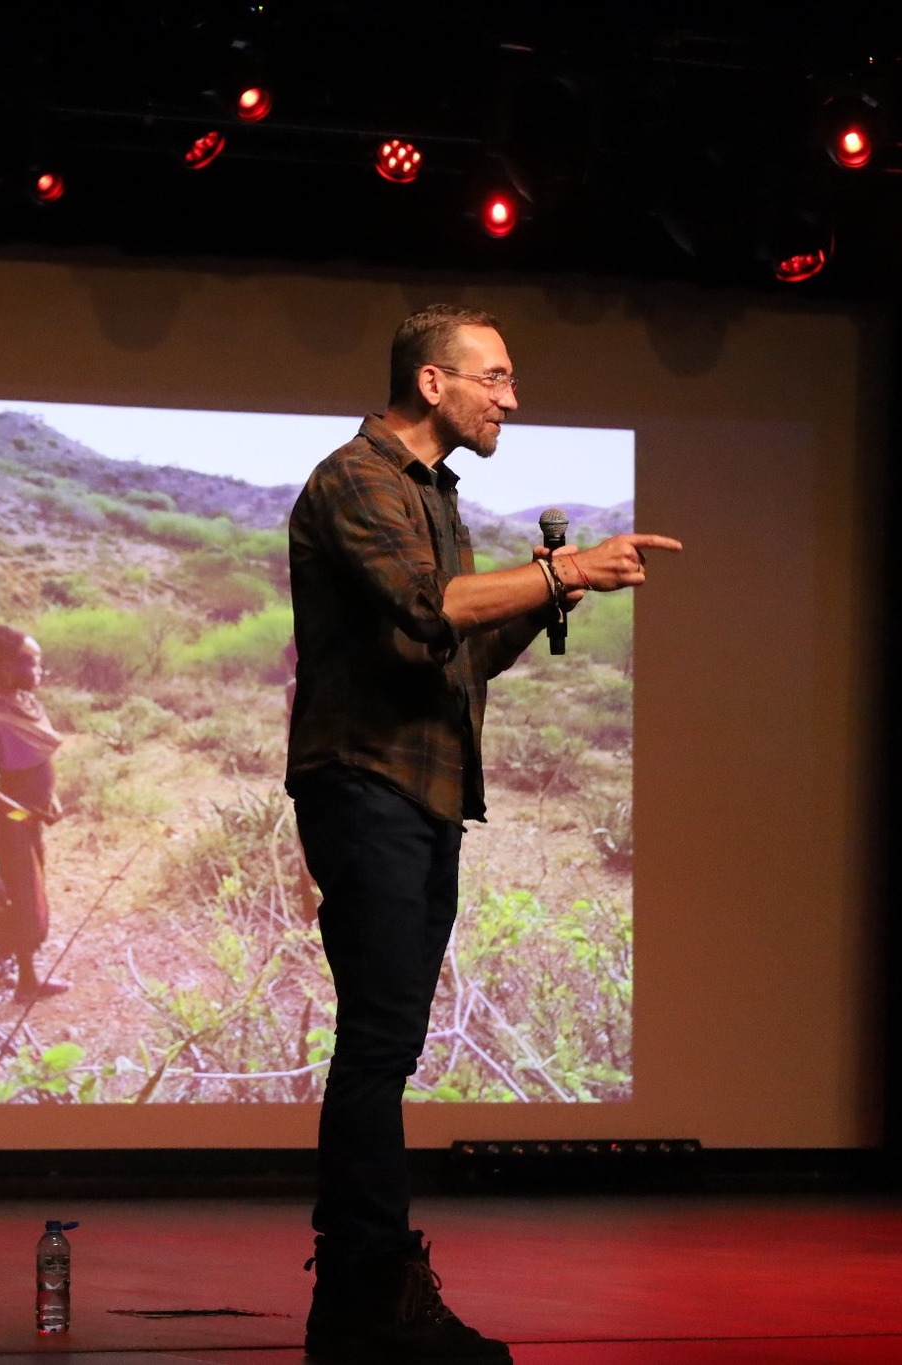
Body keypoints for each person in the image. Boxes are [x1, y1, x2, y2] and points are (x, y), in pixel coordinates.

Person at [286, 304, 682, 1361]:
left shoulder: (436, 497)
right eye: (494, 377)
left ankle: (363, 1299)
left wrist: (545, 598)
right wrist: (562, 572)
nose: (511, 397)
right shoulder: (357, 477)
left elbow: (453, 656)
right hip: (364, 782)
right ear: (432, 382)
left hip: (421, 793)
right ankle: (365, 1290)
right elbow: (425, 609)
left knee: (390, 1044)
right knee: (376, 1043)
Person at [0, 624, 71, 1025]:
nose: (39, 670)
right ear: (6, 668)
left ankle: (27, 981)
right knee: (4, 913)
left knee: (29, 904)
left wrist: (49, 800)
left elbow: (35, 765)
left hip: (28, 825)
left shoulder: (26, 705)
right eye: (31, 662)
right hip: (5, 832)